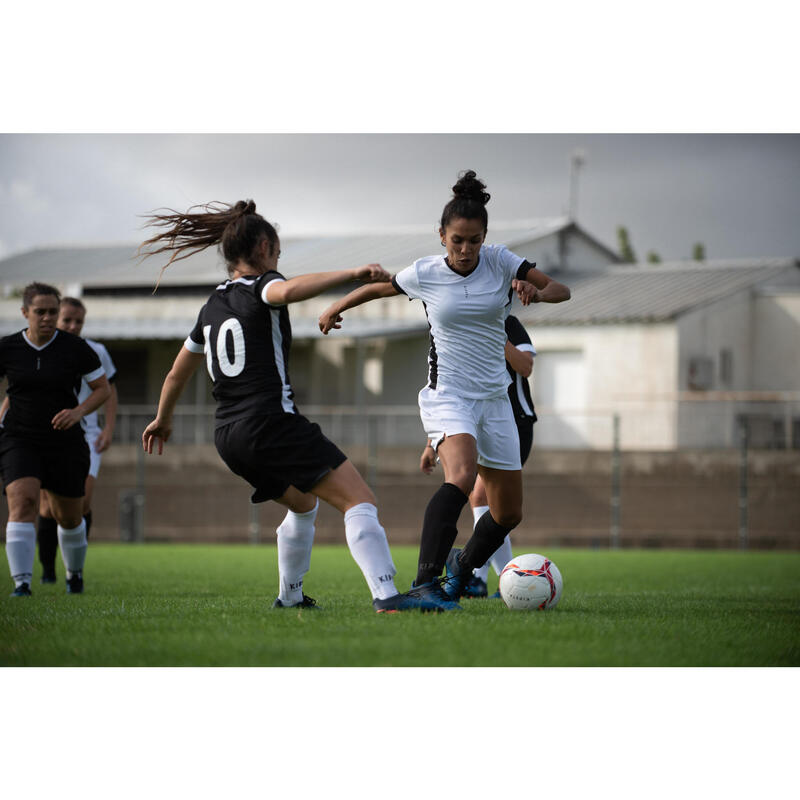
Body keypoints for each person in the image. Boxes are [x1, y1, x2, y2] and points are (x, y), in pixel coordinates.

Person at [139, 200, 438, 613]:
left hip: (228, 436)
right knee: (359, 500)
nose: (278, 261)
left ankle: (291, 597)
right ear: (264, 248)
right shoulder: (262, 285)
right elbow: (285, 290)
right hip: (269, 423)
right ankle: (388, 597)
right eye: (277, 253)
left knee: (303, 503)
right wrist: (352, 273)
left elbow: (176, 373)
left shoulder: (210, 308)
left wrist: (162, 419)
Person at [319, 170, 570, 610]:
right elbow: (382, 288)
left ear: (485, 237)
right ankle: (424, 584)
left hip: (496, 401)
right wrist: (338, 305)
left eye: (474, 240)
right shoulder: (426, 273)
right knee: (462, 475)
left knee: (509, 513)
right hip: (449, 395)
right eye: (457, 240)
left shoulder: (502, 261)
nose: (466, 249)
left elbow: (560, 290)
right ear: (441, 236)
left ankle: (462, 569)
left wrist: (535, 289)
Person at [1, 282, 111, 595]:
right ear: (25, 313)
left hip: (65, 442)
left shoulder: (75, 349)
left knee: (70, 516)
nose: (47, 318)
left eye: (53, 312)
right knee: (22, 503)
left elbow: (104, 388)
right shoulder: (8, 348)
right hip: (19, 438)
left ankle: (73, 574)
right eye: (40, 312)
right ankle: (22, 583)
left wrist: (78, 412)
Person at [420, 314, 537, 597]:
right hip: (473, 421)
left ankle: (489, 576)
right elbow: (448, 390)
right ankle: (484, 577)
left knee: (490, 500)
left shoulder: (505, 320)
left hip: (514, 420)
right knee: (479, 496)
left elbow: (526, 366)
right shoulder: (455, 323)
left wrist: (498, 336)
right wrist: (430, 443)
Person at [36, 297, 118, 582]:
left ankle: (75, 568)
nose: (72, 326)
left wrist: (108, 429)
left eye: (78, 321)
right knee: (47, 507)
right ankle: (48, 571)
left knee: (81, 502)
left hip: (86, 436)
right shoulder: (41, 350)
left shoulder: (95, 351)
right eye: (67, 320)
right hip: (47, 436)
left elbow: (109, 389)